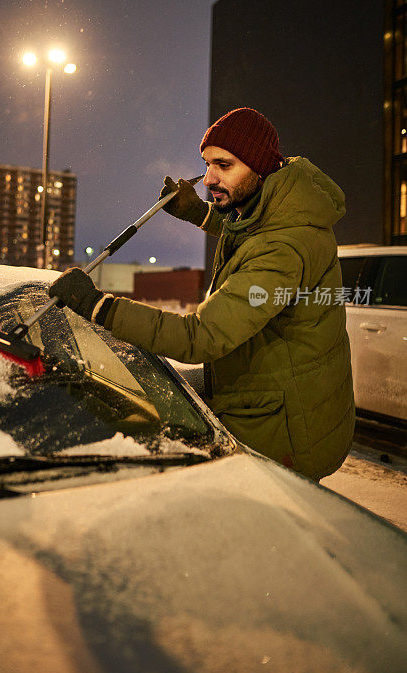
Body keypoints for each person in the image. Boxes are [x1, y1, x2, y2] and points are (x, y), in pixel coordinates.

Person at [48, 108, 355, 481]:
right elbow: (246, 232)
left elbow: (200, 338)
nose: (208, 178)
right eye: (207, 164)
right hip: (286, 396)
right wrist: (197, 212)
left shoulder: (282, 249)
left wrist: (98, 306)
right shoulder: (280, 207)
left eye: (224, 166)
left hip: (288, 432)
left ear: (259, 168)